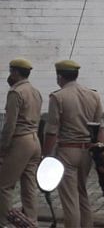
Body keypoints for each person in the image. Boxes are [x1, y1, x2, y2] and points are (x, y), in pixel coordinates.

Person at [42, 60, 104, 228]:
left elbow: (52, 131)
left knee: (70, 199)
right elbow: (100, 128)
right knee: (82, 194)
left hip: (67, 150)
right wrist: (100, 154)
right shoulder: (94, 95)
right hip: (88, 151)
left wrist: (45, 155)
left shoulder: (58, 97)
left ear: (59, 76)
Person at [0, 59, 42, 227]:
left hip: (20, 141)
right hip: (34, 139)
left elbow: (10, 125)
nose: (9, 75)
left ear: (16, 72)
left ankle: (2, 221)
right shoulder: (35, 91)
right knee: (29, 185)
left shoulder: (15, 92)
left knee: (4, 185)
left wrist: (3, 148)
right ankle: (32, 222)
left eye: (11, 71)